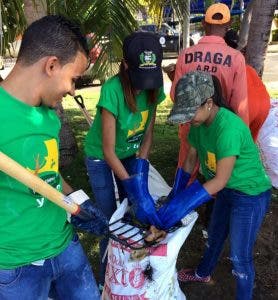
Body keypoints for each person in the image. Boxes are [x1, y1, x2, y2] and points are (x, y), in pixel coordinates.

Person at [0, 15, 108, 300]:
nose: (73, 89)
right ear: (51, 65)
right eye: (73, 79)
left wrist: (79, 201)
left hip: (64, 246)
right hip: (16, 266)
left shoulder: (48, 116)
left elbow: (48, 174)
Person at [167, 71, 271, 300]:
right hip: (225, 190)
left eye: (190, 112)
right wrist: (178, 190)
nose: (187, 119)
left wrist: (184, 203)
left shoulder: (228, 129)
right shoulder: (198, 123)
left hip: (250, 195)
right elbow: (191, 157)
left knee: (239, 256)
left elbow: (220, 179)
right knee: (214, 235)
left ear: (209, 103)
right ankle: (203, 273)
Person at [84, 31, 165, 289]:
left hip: (129, 153)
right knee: (110, 218)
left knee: (132, 212)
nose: (144, 86)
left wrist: (140, 169)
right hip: (100, 157)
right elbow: (108, 150)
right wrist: (131, 182)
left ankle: (129, 268)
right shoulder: (112, 90)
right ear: (126, 65)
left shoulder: (155, 86)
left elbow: (148, 134)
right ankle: (104, 278)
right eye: (139, 77)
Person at [169, 3, 248, 173]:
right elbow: (239, 103)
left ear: (204, 24)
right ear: (228, 26)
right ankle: (213, 197)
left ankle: (181, 196)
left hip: (191, 121)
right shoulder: (236, 57)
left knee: (186, 168)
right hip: (220, 126)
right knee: (218, 171)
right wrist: (242, 135)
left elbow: (175, 95)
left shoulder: (186, 55)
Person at [224, 29, 270, 141]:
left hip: (247, 105)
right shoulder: (241, 61)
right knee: (248, 144)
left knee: (232, 146)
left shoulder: (227, 63)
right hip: (264, 104)